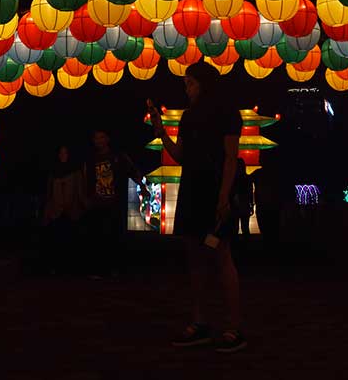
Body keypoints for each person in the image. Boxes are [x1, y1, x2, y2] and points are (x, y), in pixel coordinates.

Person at [147, 61, 247, 354]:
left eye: (190, 82)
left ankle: (233, 327)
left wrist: (224, 196)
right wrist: (161, 132)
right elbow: (180, 156)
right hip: (192, 189)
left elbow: (231, 158)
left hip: (215, 191)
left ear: (204, 83)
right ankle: (200, 321)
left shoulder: (227, 114)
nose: (187, 88)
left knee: (222, 255)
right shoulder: (188, 116)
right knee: (195, 256)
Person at [83, 129, 148, 278]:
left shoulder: (118, 156)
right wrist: (86, 198)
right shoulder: (91, 159)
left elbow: (132, 170)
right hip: (98, 203)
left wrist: (143, 186)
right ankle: (100, 269)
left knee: (115, 236)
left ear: (107, 139)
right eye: (96, 138)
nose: (99, 141)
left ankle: (115, 269)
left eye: (101, 137)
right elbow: (86, 179)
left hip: (115, 203)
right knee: (99, 237)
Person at [41, 145, 88, 275]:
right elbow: (49, 193)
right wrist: (47, 211)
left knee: (71, 240)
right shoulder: (53, 172)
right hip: (56, 211)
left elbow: (80, 191)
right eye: (61, 153)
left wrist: (84, 206)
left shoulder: (76, 172)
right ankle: (56, 268)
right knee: (57, 240)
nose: (63, 155)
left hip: (72, 211)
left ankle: (70, 268)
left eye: (65, 153)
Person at [232, 158, 253, 240]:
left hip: (235, 206)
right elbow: (250, 193)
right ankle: (246, 244)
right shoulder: (247, 178)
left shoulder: (233, 179)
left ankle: (235, 245)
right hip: (245, 205)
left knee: (234, 229)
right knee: (245, 228)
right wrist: (251, 205)